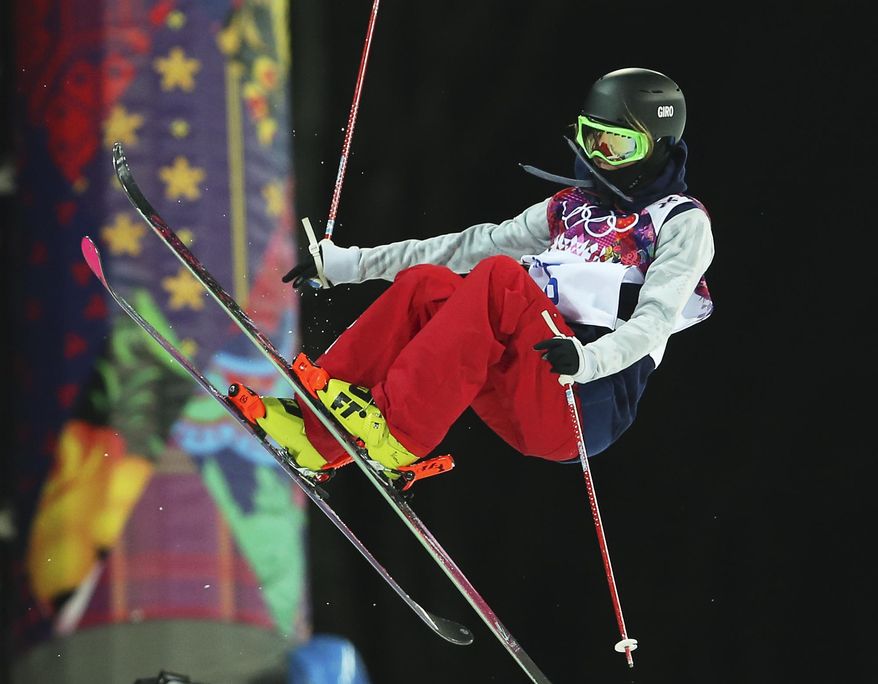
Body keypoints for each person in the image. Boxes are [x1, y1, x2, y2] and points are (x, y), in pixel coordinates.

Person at [229, 67, 715, 483]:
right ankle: (315, 434)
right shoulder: (570, 207)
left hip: (583, 397)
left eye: (620, 146)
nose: (600, 158)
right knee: (428, 286)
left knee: (501, 279)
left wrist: (586, 362)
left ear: (659, 147)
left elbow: (654, 320)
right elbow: (468, 246)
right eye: (593, 138)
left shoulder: (679, 221)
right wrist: (351, 264)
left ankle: (399, 433)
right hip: (523, 377)